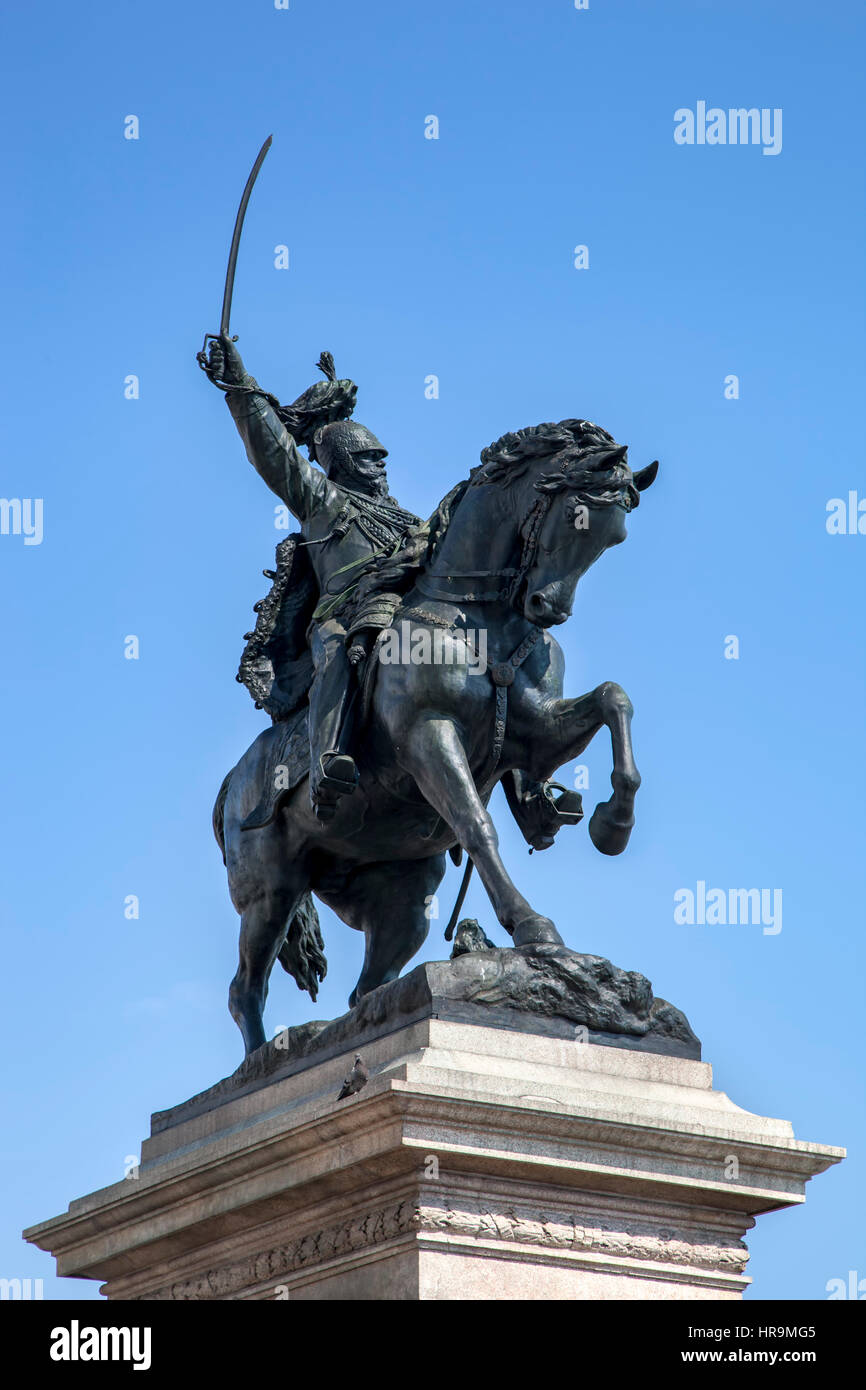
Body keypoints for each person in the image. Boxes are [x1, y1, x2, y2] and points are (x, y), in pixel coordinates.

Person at [204, 336, 420, 820]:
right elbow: (273, 452)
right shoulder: (324, 502)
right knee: (340, 650)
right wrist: (241, 384)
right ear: (341, 463)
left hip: (402, 617)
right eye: (368, 458)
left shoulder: (409, 522)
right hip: (337, 618)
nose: (381, 465)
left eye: (382, 457)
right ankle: (327, 762)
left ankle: (530, 789)